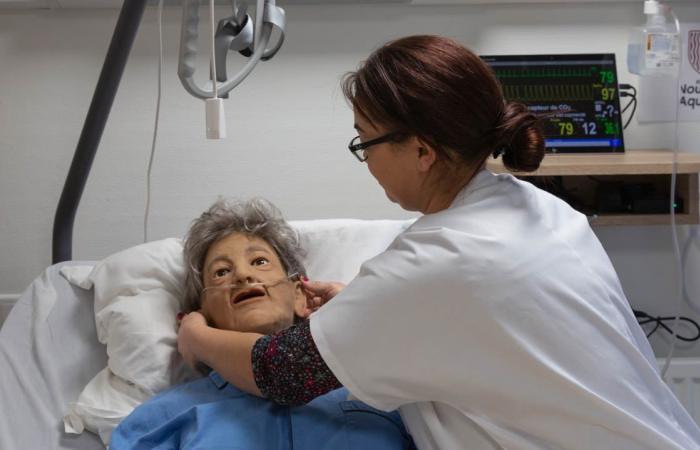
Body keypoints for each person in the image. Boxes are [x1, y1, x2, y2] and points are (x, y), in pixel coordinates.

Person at [177, 36, 700, 449]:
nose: (367, 160)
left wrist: (195, 334)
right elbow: (485, 331)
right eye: (220, 272)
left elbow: (279, 371)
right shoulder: (547, 211)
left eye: (365, 141)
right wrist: (364, 314)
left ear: (422, 151)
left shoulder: (431, 266)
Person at [110, 198, 414, 450]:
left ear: (301, 295)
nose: (242, 276)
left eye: (259, 261)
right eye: (220, 272)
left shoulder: (376, 390)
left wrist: (359, 321)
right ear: (201, 312)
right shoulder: (161, 419)